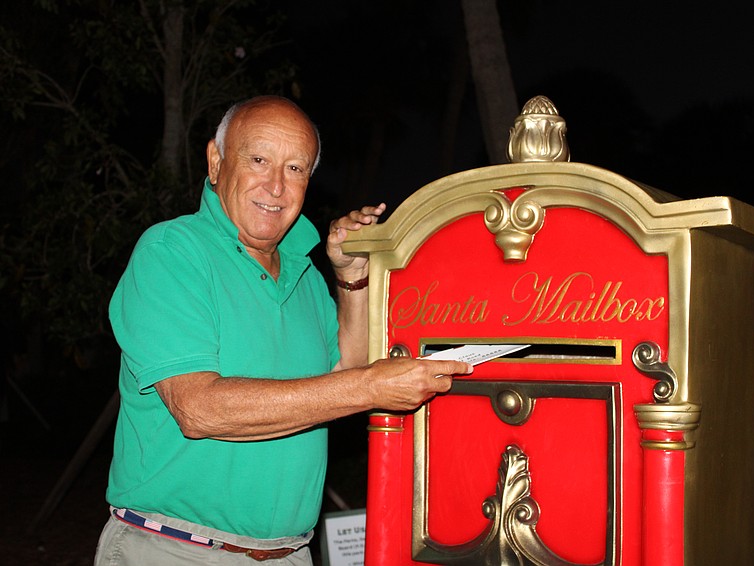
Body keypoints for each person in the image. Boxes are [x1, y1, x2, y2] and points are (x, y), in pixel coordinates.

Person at [94, 96, 472, 565]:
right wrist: (371, 386)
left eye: (295, 169)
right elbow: (198, 409)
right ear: (216, 161)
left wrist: (350, 278)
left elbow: (344, 374)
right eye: (258, 160)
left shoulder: (303, 275)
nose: (275, 186)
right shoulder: (172, 252)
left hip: (289, 554)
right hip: (177, 549)